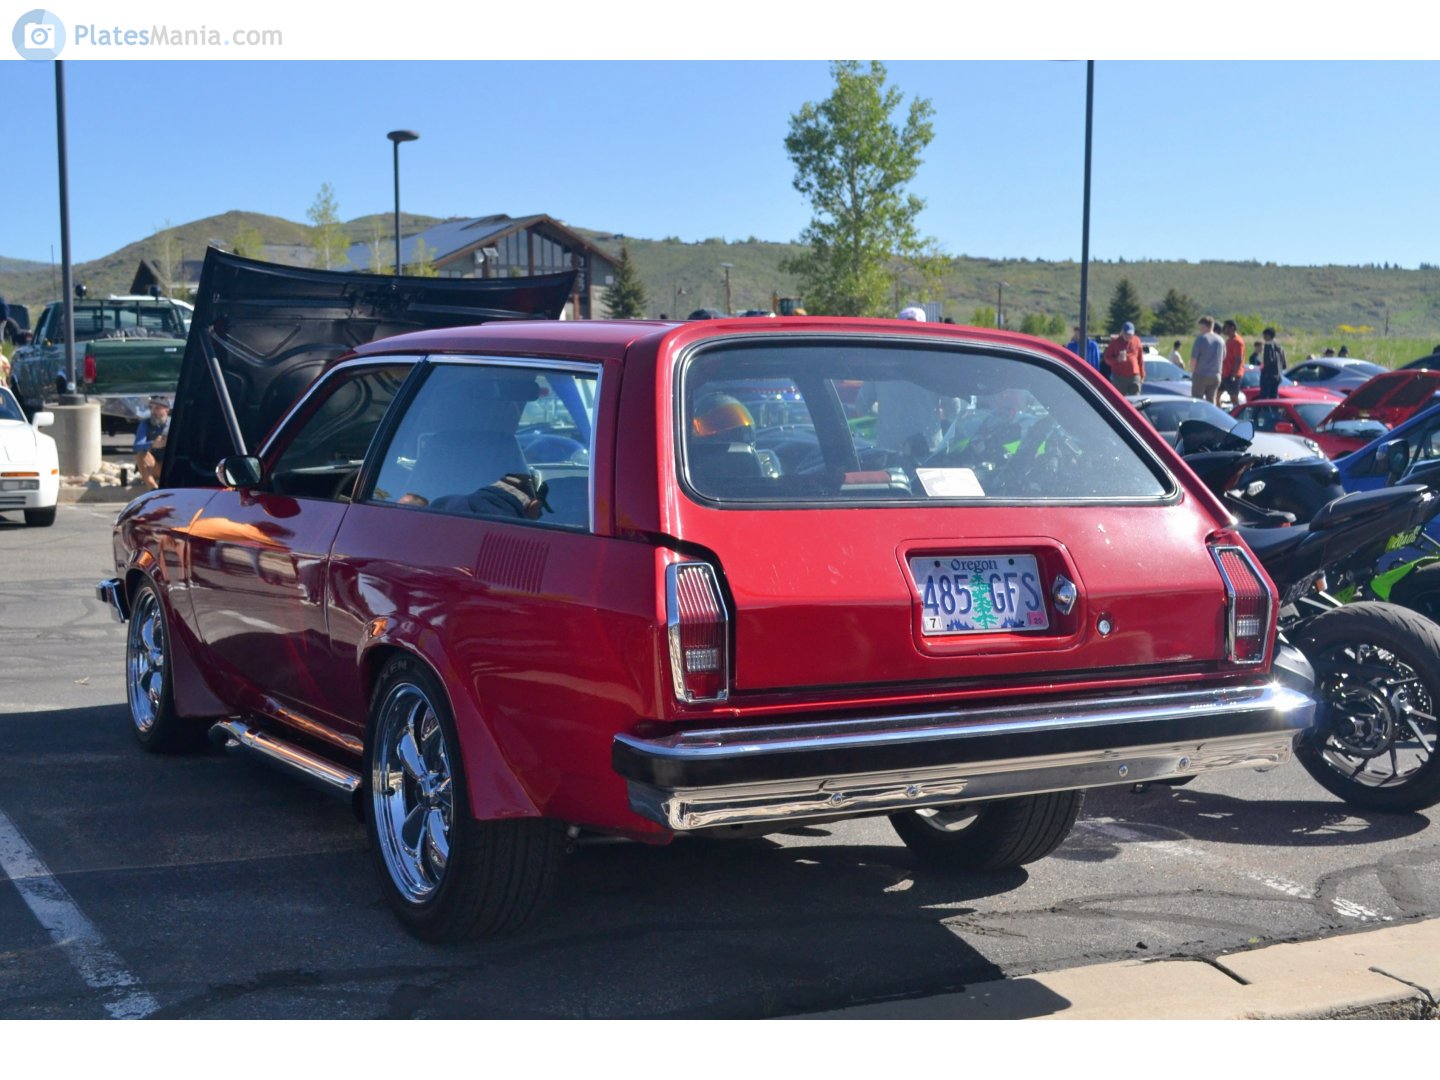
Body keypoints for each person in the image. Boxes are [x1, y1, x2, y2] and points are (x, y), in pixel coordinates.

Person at [430, 471, 551, 520]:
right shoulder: (518, 536)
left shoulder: (442, 503)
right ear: (534, 506)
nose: (540, 516)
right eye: (540, 511)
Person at [133, 397, 171, 489]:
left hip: (171, 466)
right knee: (140, 454)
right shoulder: (146, 423)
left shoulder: (174, 422)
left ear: (166, 410)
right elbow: (136, 446)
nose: (153, 411)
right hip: (154, 465)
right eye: (152, 408)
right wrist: (153, 444)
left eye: (157, 408)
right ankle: (153, 487)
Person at [1189, 317, 1225, 405]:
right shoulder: (1221, 340)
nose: (1200, 329)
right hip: (1215, 375)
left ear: (1206, 326)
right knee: (1212, 401)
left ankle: (1197, 417)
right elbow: (1223, 357)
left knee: (1196, 400)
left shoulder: (1201, 339)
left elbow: (1194, 359)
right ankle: (1211, 418)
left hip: (1201, 374)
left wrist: (1192, 372)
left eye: (1201, 327)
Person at [1102, 321, 1144, 395]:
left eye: (1130, 334)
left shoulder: (1137, 340)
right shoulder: (1115, 342)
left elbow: (1140, 359)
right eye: (1126, 334)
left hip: (1134, 376)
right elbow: (1107, 358)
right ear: (1122, 332)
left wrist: (1142, 375)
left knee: (1136, 398)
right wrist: (1117, 359)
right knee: (1118, 399)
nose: (1128, 336)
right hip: (1119, 376)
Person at [1220, 319, 1245, 406]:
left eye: (1225, 327)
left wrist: (1233, 375)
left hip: (1233, 375)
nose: (1224, 329)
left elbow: (1238, 359)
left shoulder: (1237, 341)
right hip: (1225, 374)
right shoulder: (1228, 341)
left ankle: (1237, 415)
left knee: (1234, 397)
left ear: (1232, 328)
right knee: (1217, 395)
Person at [1260, 327, 1287, 401]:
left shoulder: (1268, 346)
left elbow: (1268, 361)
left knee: (1265, 398)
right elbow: (1284, 364)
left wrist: (1264, 370)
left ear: (1269, 336)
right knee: (1274, 398)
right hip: (1278, 376)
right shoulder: (1280, 347)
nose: (1264, 337)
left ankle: (1266, 412)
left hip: (1268, 376)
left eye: (1265, 335)